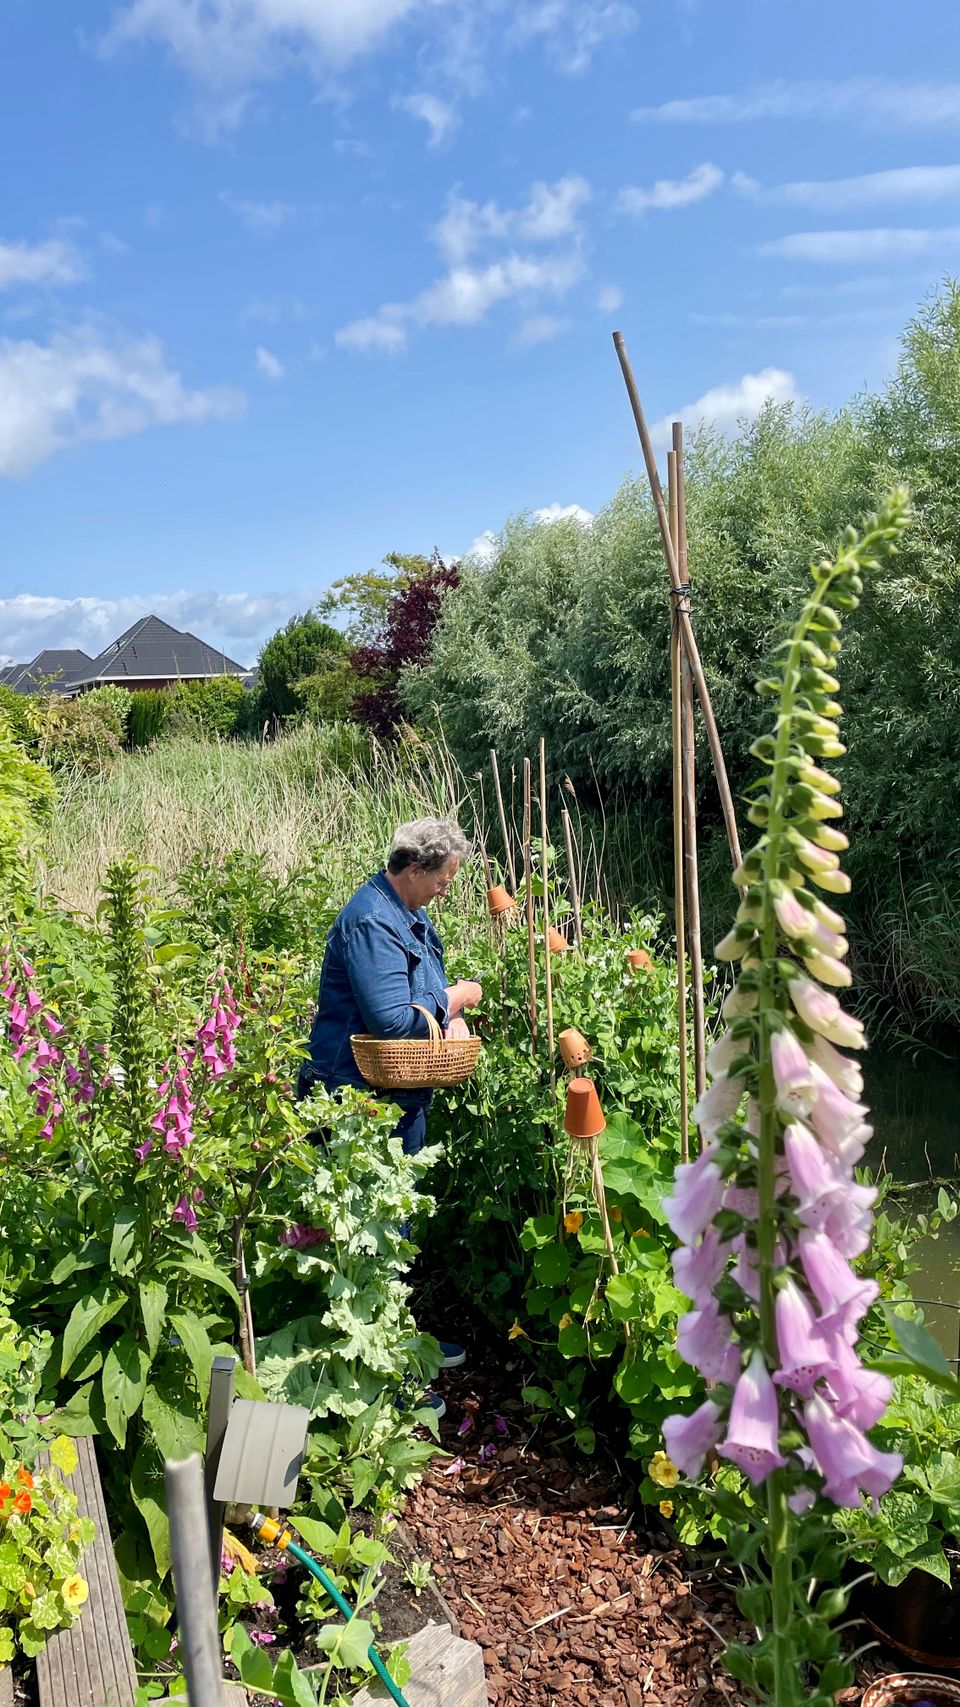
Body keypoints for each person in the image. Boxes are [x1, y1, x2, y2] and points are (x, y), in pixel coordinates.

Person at [297, 817, 482, 1401]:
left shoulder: (409, 915)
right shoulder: (371, 921)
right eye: (442, 879)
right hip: (355, 1101)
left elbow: (419, 1005)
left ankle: (402, 1344)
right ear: (412, 868)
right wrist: (454, 998)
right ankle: (379, 1378)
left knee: (391, 1232)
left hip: (395, 1096)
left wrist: (449, 1021)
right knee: (361, 1240)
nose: (445, 890)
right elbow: (394, 1021)